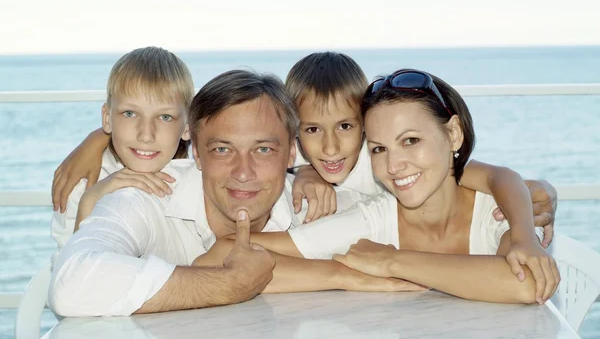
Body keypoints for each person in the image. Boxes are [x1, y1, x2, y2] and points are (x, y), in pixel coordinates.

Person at [49, 70, 420, 318]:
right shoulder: (145, 197)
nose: (244, 172)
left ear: (292, 153)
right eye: (223, 150)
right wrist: (230, 284)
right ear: (195, 151)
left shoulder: (323, 206)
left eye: (263, 150)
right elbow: (72, 283)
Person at [198, 69, 560, 304]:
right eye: (378, 149)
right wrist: (344, 277)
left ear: (452, 133)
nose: (393, 165)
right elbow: (225, 251)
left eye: (411, 141)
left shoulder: (500, 208)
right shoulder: (373, 219)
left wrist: (392, 262)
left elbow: (526, 284)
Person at [286, 52, 557, 247]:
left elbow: (494, 177)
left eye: (346, 126)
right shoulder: (297, 156)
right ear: (296, 133)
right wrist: (306, 171)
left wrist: (537, 206)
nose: (330, 147)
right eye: (312, 129)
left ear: (365, 125)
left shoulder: (380, 161)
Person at [51, 46, 195, 254]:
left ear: (187, 126)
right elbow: (67, 277)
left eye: (165, 117)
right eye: (130, 113)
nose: (146, 135)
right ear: (107, 118)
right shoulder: (82, 185)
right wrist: (89, 202)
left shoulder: (198, 183)